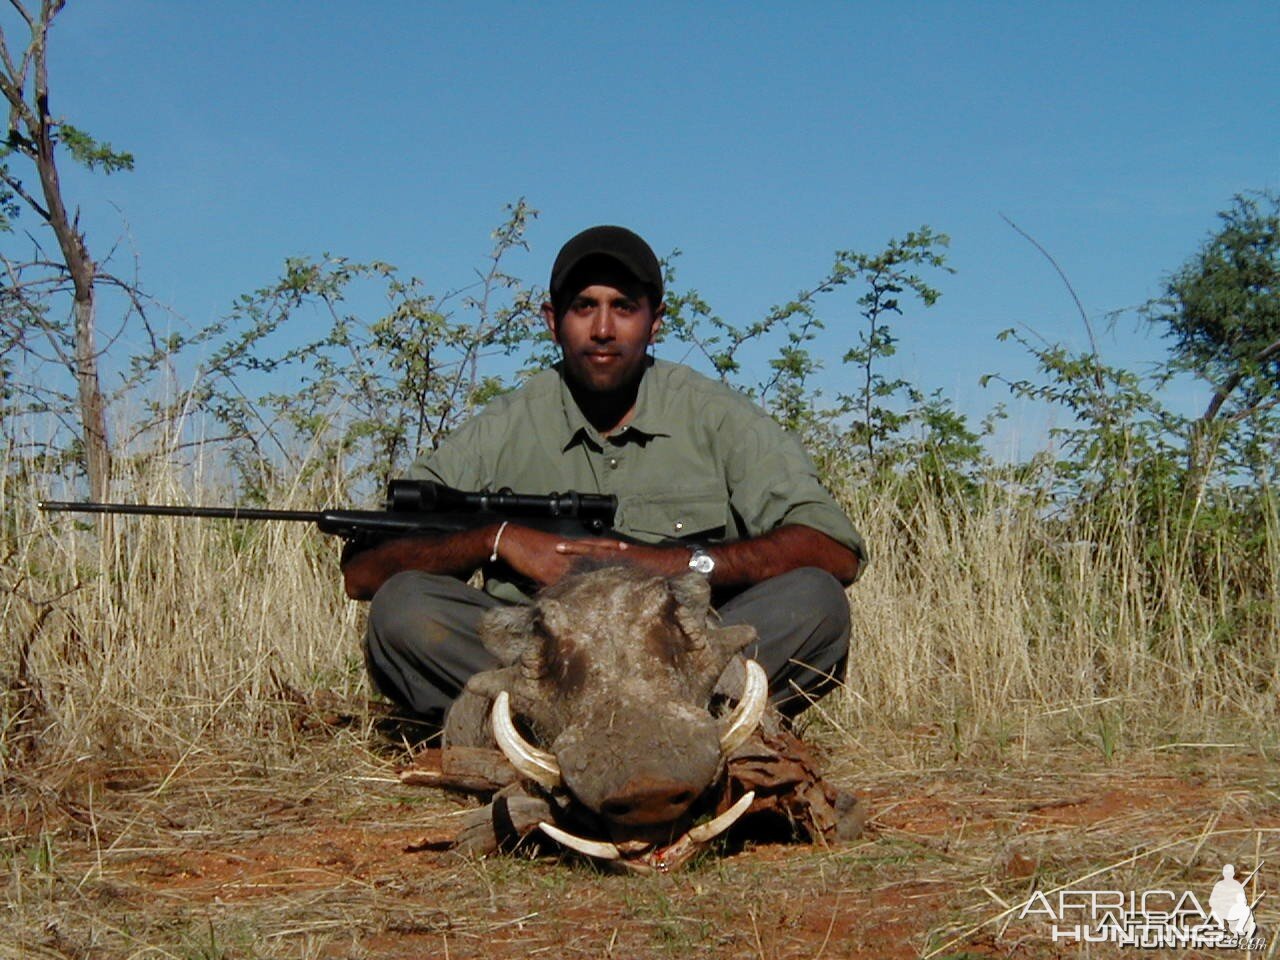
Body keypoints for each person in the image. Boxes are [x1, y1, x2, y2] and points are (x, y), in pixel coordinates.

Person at [343, 225, 867, 734]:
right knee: (404, 611)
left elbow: (834, 549)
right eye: (583, 306)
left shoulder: (715, 415)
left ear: (655, 321)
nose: (602, 329)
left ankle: (647, 731)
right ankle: (624, 731)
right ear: (552, 320)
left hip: (685, 658)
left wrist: (674, 565)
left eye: (623, 307)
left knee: (815, 601)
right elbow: (364, 573)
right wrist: (496, 540)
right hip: (551, 669)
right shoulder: (503, 426)